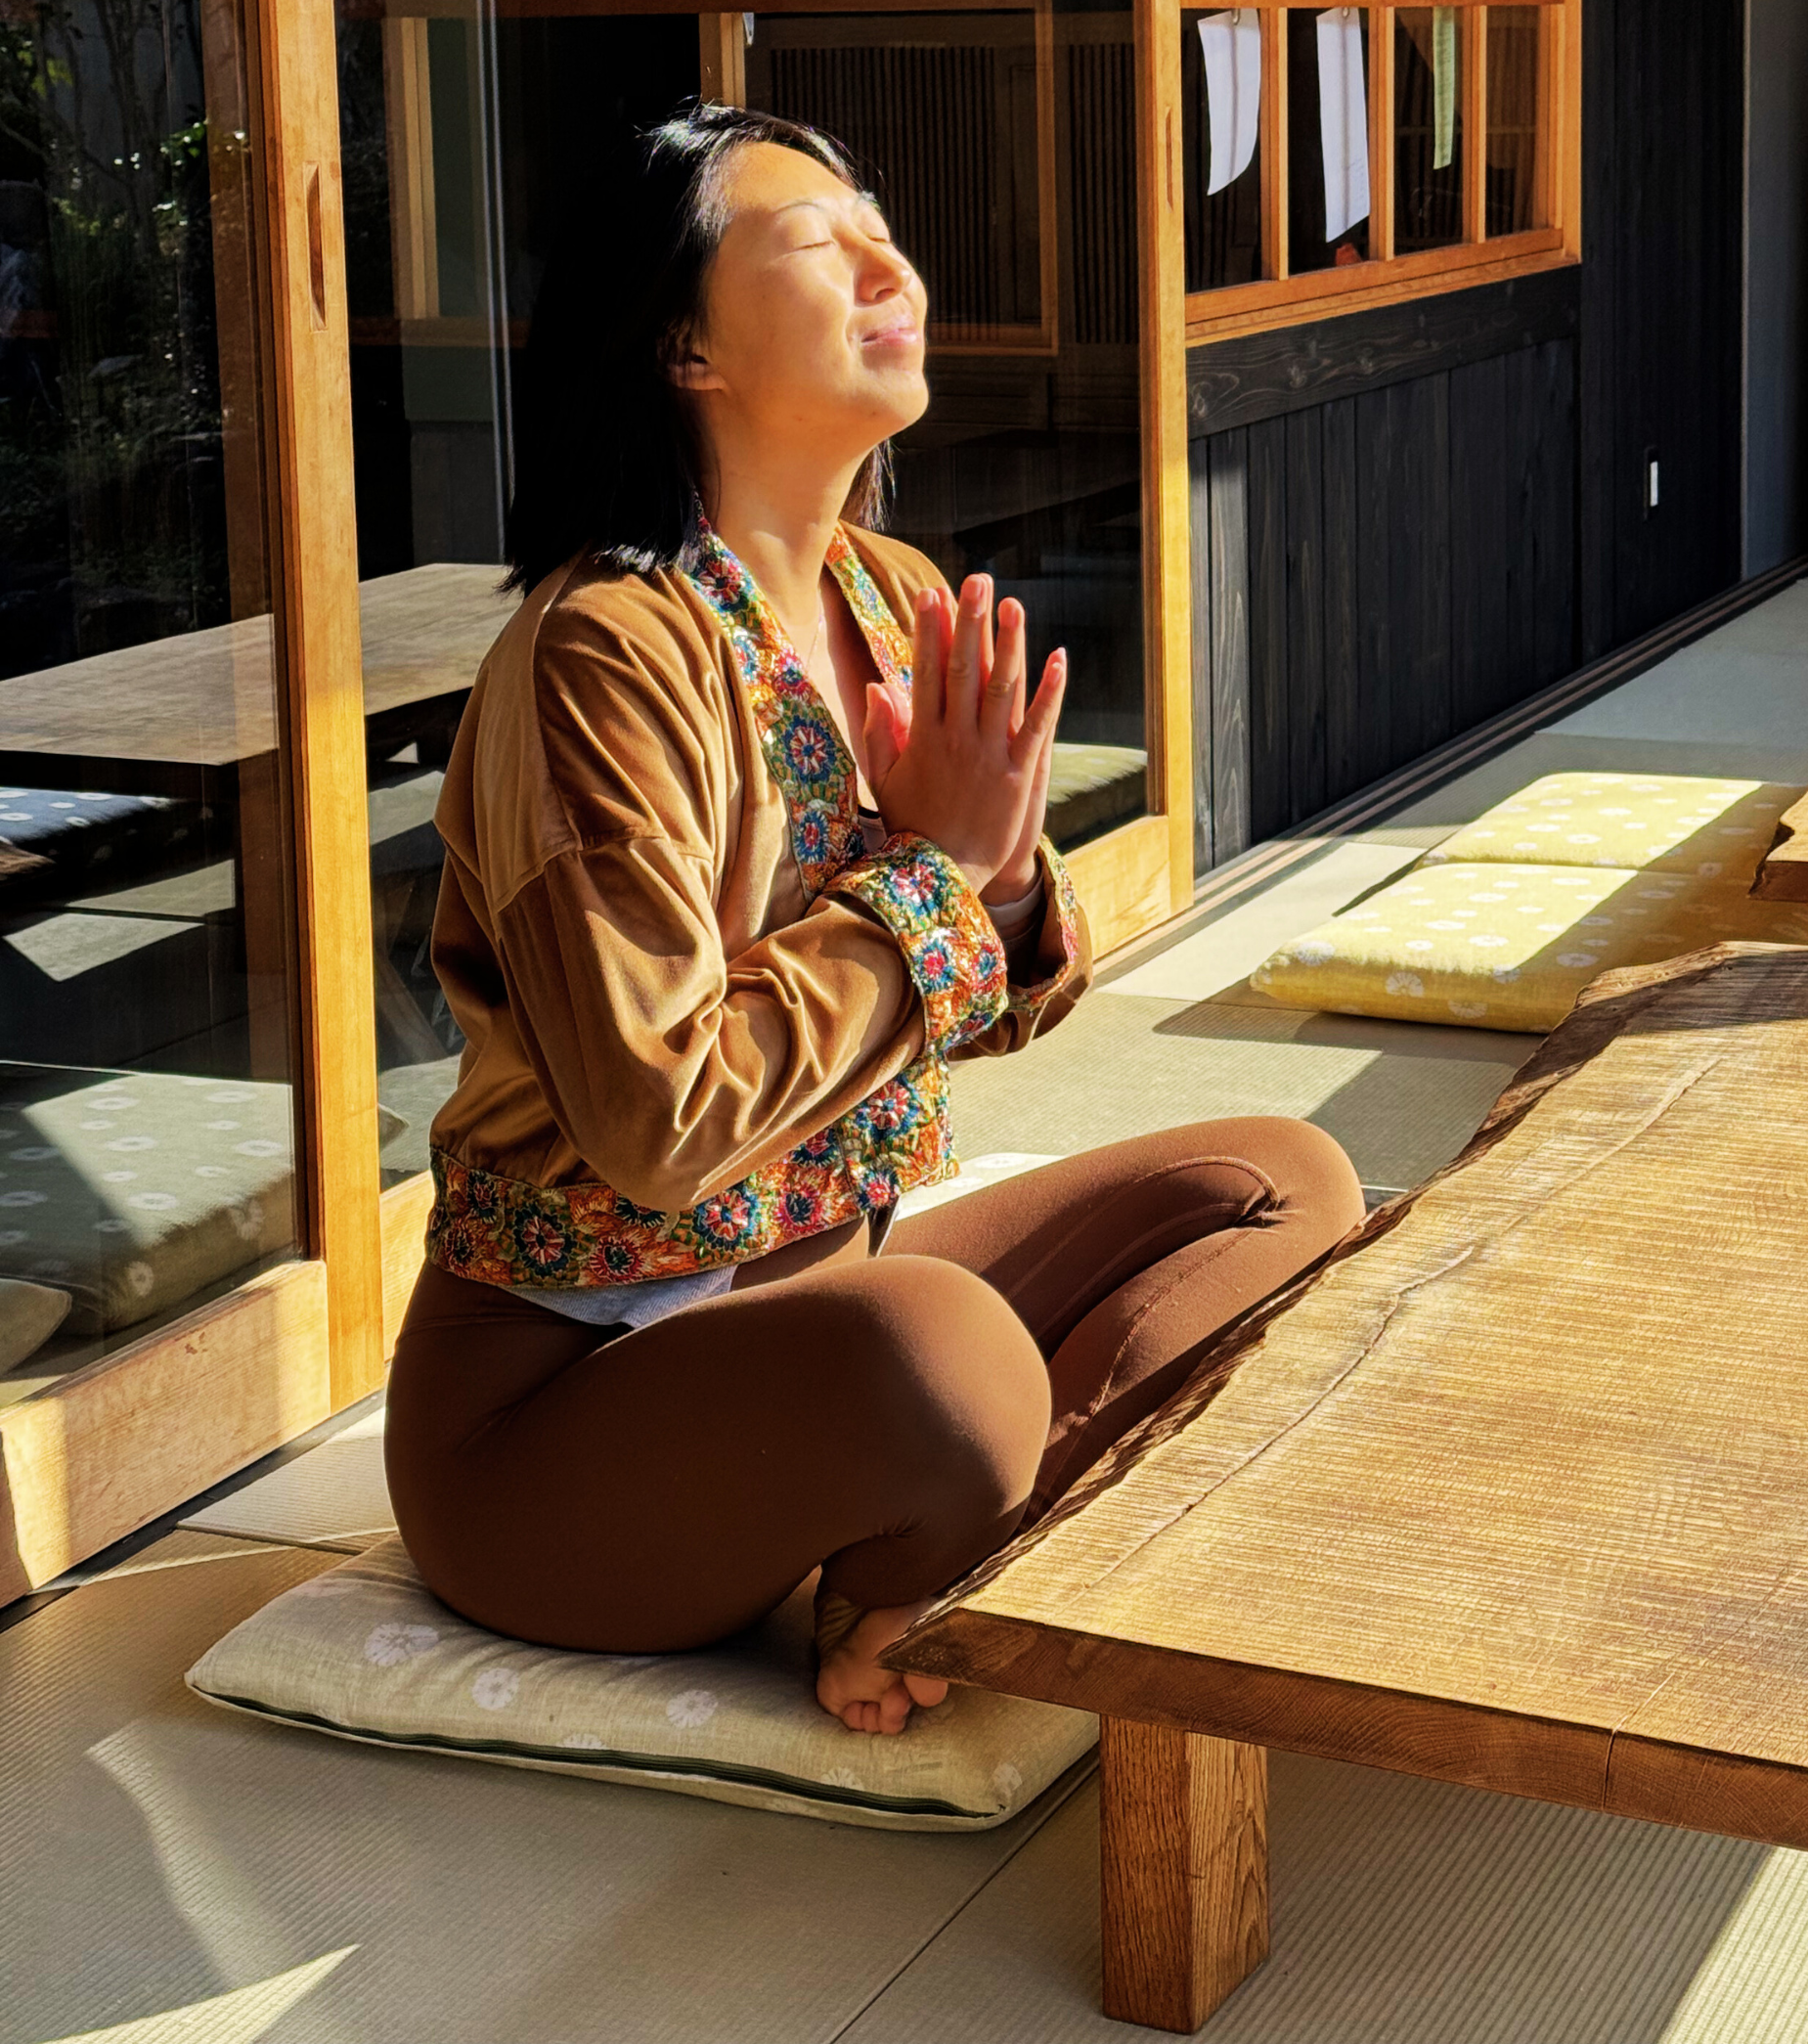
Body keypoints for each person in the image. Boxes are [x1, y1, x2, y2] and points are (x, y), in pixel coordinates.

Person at [383, 104, 1364, 1736]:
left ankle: (913, 1582)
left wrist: (993, 872)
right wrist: (930, 875)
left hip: (829, 1287)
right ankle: (956, 1531)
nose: (885, 261)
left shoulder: (892, 595)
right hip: (551, 1417)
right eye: (812, 238)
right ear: (684, 341)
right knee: (945, 1350)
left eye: (878, 225)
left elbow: (1010, 990)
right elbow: (654, 1120)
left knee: (1282, 1180)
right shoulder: (599, 655)